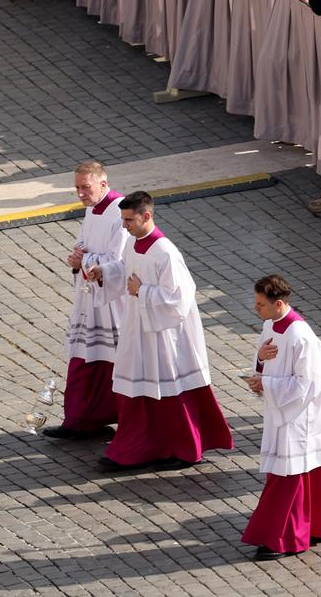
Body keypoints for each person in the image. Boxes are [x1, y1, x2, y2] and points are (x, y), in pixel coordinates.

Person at [85, 191, 233, 471]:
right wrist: (104, 272)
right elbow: (124, 268)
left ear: (147, 216)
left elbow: (181, 296)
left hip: (165, 334)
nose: (124, 225)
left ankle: (184, 447)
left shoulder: (165, 252)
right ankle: (138, 445)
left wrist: (143, 291)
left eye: (129, 220)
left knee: (169, 389)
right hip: (138, 325)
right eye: (123, 219)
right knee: (134, 386)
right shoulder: (133, 243)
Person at [239, 274, 321, 560]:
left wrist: (267, 385)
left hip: (301, 417)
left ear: (279, 303)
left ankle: (282, 536)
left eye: (260, 304)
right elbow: (266, 362)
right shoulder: (270, 325)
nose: (256, 309)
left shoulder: (301, 336)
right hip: (283, 411)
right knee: (315, 469)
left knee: (288, 476)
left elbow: (309, 384)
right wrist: (260, 364)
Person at [43, 161, 127, 439]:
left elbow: (120, 261)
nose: (80, 193)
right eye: (77, 188)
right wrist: (77, 256)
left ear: (103, 184)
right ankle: (80, 419)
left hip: (112, 301)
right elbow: (84, 242)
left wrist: (86, 260)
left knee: (116, 361)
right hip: (89, 296)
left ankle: (118, 418)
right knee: (83, 356)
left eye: (85, 187)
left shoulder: (122, 213)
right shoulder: (93, 208)